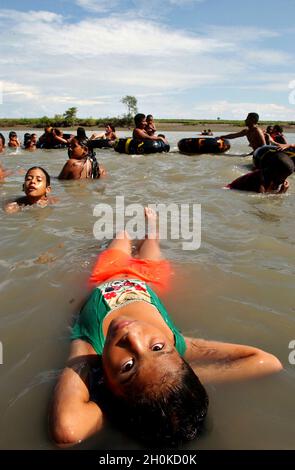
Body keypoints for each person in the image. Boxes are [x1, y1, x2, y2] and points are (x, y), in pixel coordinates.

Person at [50, 207, 282, 447]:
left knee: (121, 236)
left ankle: (128, 229)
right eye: (157, 348)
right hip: (150, 278)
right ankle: (152, 226)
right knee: (152, 241)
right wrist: (174, 383)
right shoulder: (177, 344)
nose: (132, 336)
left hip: (106, 275)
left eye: (128, 366)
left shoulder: (89, 353)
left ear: (111, 386)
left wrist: (145, 394)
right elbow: (266, 361)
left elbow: (67, 429)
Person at [226, 152, 294, 193]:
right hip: (229, 189)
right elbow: (262, 200)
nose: (285, 179)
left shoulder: (270, 177)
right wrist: (281, 192)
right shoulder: (259, 180)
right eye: (284, 176)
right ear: (275, 173)